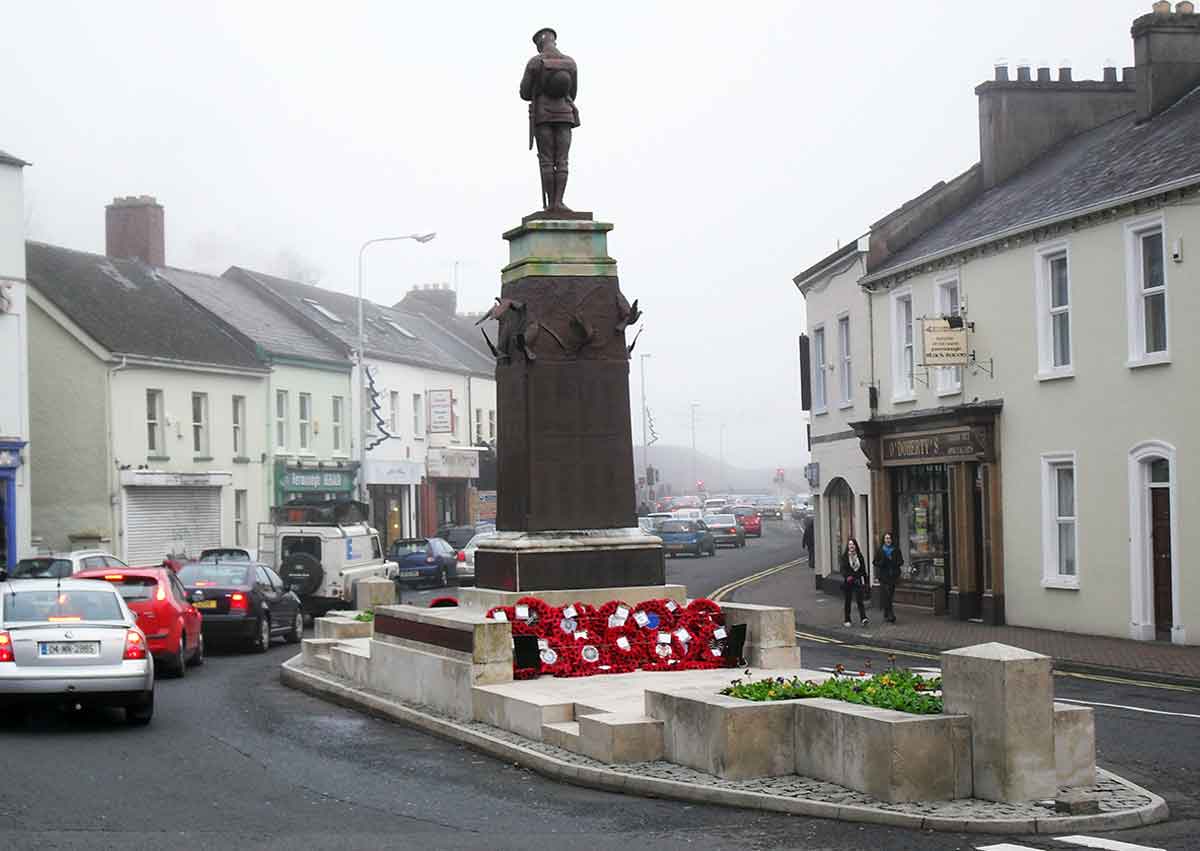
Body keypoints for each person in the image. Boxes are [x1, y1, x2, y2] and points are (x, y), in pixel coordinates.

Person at [520, 27, 580, 211]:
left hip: (543, 115)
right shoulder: (570, 63)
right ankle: (559, 202)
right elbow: (574, 93)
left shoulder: (535, 63)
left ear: (539, 44)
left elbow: (524, 93)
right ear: (554, 41)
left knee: (546, 160)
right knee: (562, 160)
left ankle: (551, 205)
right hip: (565, 115)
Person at [874, 531, 905, 624]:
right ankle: (891, 614)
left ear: (892, 540)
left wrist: (894, 562)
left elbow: (901, 562)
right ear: (884, 540)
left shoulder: (896, 550)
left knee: (890, 595)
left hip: (893, 576)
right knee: (887, 595)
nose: (888, 540)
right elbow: (875, 562)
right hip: (883, 576)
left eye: (889, 538)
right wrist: (882, 562)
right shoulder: (880, 550)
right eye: (886, 538)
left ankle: (886, 613)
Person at [840, 537, 869, 627]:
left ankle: (863, 618)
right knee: (847, 601)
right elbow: (843, 569)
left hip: (857, 580)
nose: (851, 546)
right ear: (848, 546)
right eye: (849, 544)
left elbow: (863, 570)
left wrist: (866, 581)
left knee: (860, 600)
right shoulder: (845, 556)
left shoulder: (860, 556)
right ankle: (847, 619)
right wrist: (847, 576)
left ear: (855, 546)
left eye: (853, 544)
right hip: (848, 581)